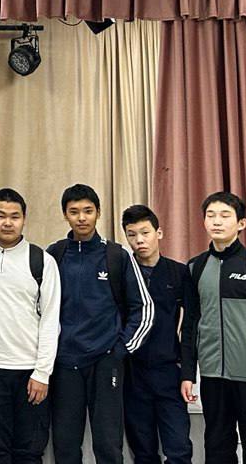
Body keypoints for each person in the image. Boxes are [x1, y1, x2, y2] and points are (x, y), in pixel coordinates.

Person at [47, 184, 153, 464]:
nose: (81, 218)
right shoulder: (54, 255)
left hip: (105, 362)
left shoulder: (117, 255)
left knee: (108, 445)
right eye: (74, 212)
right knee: (65, 445)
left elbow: (143, 308)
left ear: (98, 213)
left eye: (88, 211)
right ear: (65, 215)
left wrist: (119, 350)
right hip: (64, 364)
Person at [180, 191, 246, 464]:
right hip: (213, 377)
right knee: (217, 450)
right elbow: (190, 325)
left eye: (225, 215)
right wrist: (188, 373)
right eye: (211, 215)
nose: (216, 221)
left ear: (241, 223)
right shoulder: (195, 267)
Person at [0, 188, 61, 464]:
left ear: (24, 219)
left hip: (30, 372)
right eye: (1, 215)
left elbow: (51, 320)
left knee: (29, 452)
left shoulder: (42, 261)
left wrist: (42, 373)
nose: (8, 223)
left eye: (15, 216)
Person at [119, 204, 194, 464]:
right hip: (132, 373)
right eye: (132, 235)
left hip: (168, 371)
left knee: (179, 449)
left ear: (158, 233)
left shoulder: (179, 273)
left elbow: (190, 326)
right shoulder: (123, 273)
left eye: (145, 232)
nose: (139, 240)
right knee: (143, 451)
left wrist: (188, 373)